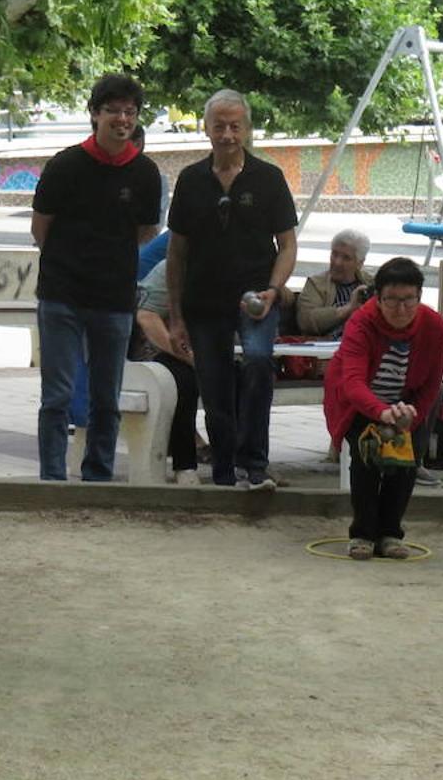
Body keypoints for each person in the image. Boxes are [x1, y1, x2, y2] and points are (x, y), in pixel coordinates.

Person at [31, 73, 161, 481]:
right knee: (58, 395)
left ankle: (98, 476)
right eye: (113, 111)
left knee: (107, 398)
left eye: (130, 112)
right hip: (62, 295)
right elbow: (41, 229)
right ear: (94, 114)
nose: (122, 119)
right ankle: (52, 478)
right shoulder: (65, 164)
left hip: (114, 299)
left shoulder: (145, 173)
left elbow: (144, 233)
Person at [166, 89, 298, 491]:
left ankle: (254, 464)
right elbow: (177, 254)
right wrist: (176, 315)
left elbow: (288, 244)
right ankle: (224, 472)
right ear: (206, 129)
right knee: (216, 386)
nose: (226, 134)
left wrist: (275, 289)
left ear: (247, 129)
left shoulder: (269, 178)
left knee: (259, 363)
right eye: (218, 126)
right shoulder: (190, 180)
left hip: (256, 299)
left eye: (234, 126)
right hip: (204, 301)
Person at [324, 257, 443, 559]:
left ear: (419, 298)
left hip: (410, 403)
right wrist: (381, 413)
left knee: (406, 461)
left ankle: (391, 533)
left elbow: (432, 383)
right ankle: (363, 534)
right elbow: (352, 381)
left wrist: (410, 415)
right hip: (361, 402)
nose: (401, 309)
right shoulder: (361, 323)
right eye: (392, 300)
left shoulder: (435, 327)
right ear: (378, 299)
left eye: (408, 300)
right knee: (366, 458)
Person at [135, 259, 204, 486]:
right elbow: (147, 317)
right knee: (183, 380)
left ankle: (245, 462)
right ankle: (185, 464)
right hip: (159, 350)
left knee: (244, 377)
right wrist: (190, 357)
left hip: (207, 350)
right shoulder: (171, 268)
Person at [296, 229, 375, 338]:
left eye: (346, 258)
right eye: (334, 254)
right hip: (325, 349)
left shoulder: (371, 284)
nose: (337, 262)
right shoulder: (316, 284)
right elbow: (306, 322)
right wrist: (348, 309)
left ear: (360, 263)